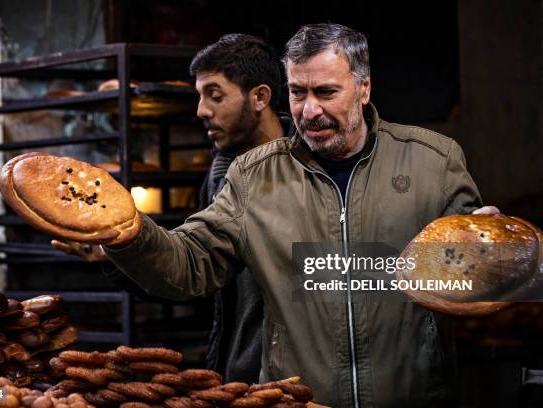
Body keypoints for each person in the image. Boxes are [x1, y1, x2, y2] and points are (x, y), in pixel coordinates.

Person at [74, 24, 499, 406]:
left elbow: (470, 268)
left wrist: (491, 256)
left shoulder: (435, 160)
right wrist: (126, 232)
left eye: (326, 93)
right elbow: (190, 263)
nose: (309, 110)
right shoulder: (253, 174)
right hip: (298, 400)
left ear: (364, 88)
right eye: (298, 92)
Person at [52, 34, 294, 384]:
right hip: (236, 375)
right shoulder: (219, 178)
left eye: (215, 95)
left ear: (260, 97)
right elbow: (196, 277)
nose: (201, 111)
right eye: (199, 96)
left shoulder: (306, 172)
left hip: (292, 381)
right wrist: (117, 254)